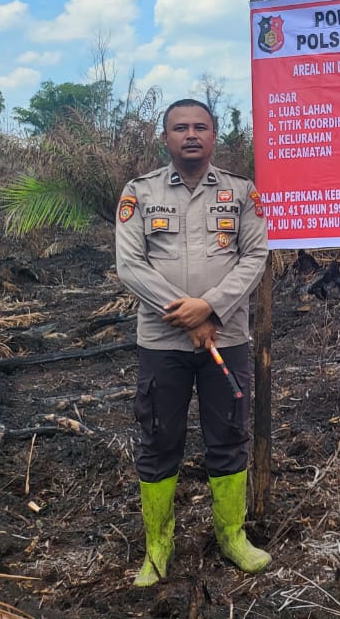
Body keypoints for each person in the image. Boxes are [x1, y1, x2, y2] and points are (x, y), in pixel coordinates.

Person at [115, 99, 271, 587]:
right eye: (180, 127)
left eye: (200, 127)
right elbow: (130, 266)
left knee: (228, 436)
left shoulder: (241, 194)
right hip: (162, 343)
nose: (190, 135)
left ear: (214, 136)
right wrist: (187, 317)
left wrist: (211, 309)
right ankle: (158, 548)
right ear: (165, 138)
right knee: (159, 439)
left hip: (229, 338)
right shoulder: (139, 194)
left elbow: (255, 256)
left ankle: (232, 537)